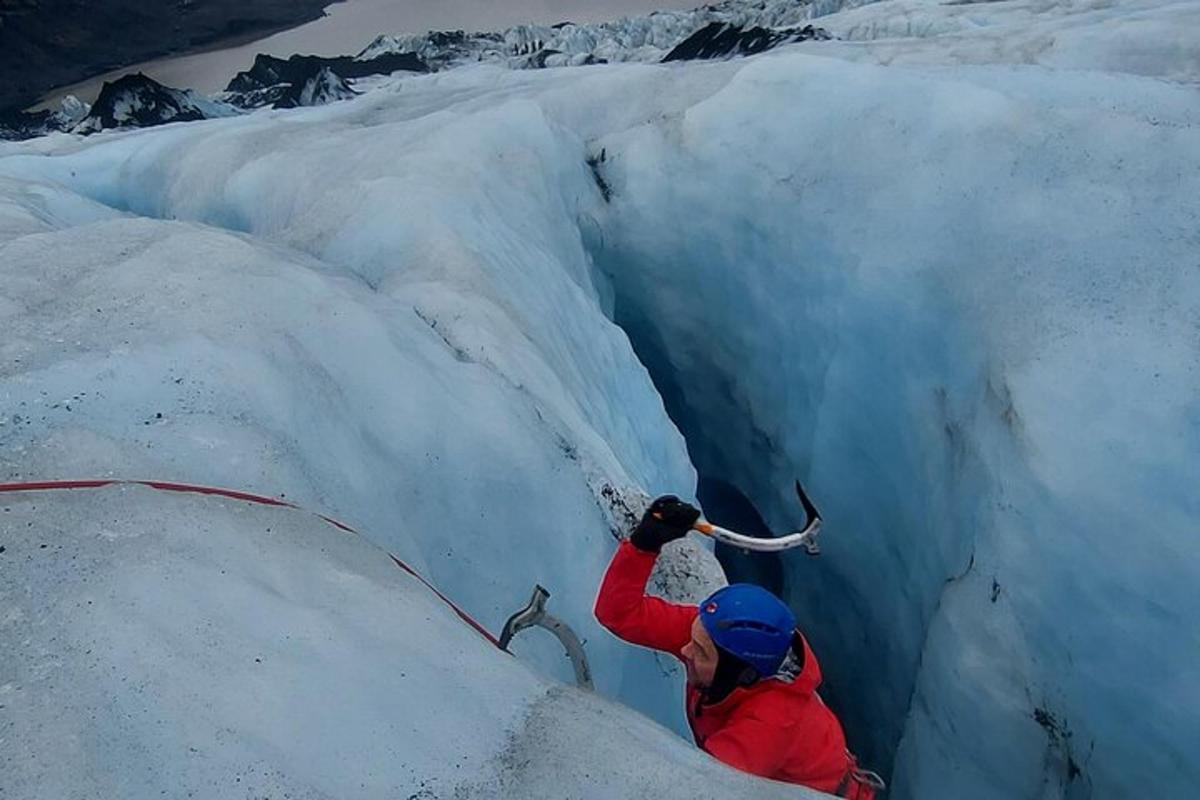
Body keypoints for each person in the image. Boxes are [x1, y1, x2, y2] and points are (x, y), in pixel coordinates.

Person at [594, 495, 881, 798]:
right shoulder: (713, 636)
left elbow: (700, 791)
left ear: (743, 673)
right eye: (694, 640)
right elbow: (617, 613)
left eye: (701, 652)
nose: (686, 650)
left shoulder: (767, 726)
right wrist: (645, 543)